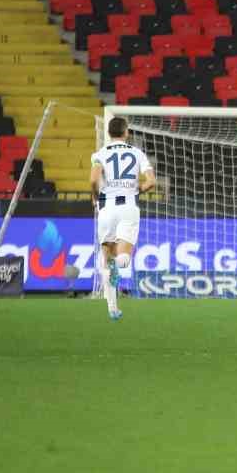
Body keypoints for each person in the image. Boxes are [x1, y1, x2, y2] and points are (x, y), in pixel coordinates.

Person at [91, 117, 156, 321]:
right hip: (129, 207)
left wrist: (95, 197)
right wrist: (138, 190)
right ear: (126, 132)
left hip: (107, 208)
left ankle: (112, 309)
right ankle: (119, 263)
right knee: (124, 259)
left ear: (109, 133)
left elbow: (93, 180)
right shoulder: (137, 153)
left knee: (107, 259)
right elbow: (151, 182)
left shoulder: (99, 154)